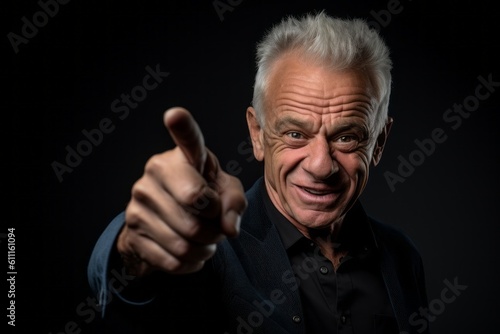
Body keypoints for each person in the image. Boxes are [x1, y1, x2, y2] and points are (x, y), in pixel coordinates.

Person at [87, 11, 430, 334]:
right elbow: (137, 299)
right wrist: (135, 248)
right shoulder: (213, 248)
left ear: (380, 142)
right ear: (257, 133)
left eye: (347, 137)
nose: (321, 165)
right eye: (295, 134)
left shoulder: (403, 257)